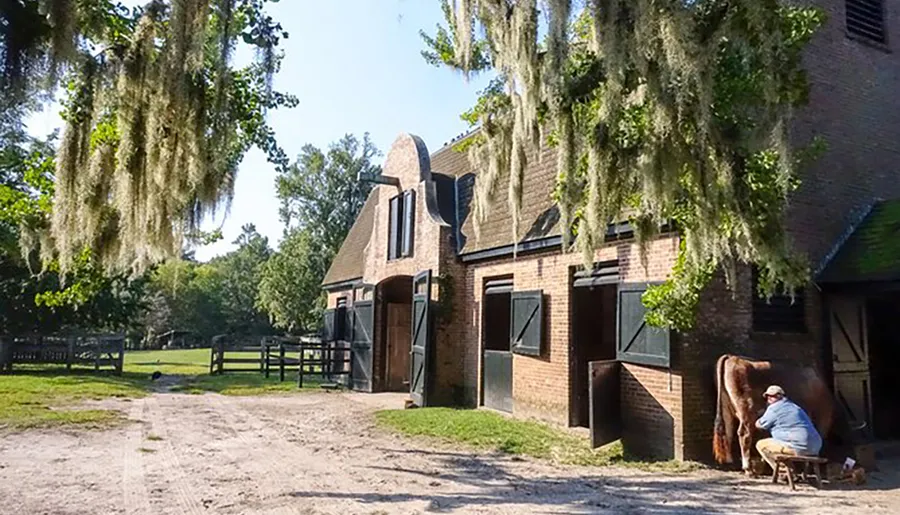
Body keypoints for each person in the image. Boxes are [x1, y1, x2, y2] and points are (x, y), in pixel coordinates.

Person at [755, 385, 823, 472]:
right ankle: (790, 470)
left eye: (772, 396)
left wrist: (757, 419)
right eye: (768, 396)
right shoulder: (796, 407)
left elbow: (762, 425)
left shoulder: (774, 408)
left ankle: (783, 472)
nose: (769, 398)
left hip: (799, 447)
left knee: (761, 445)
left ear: (780, 396)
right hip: (816, 447)